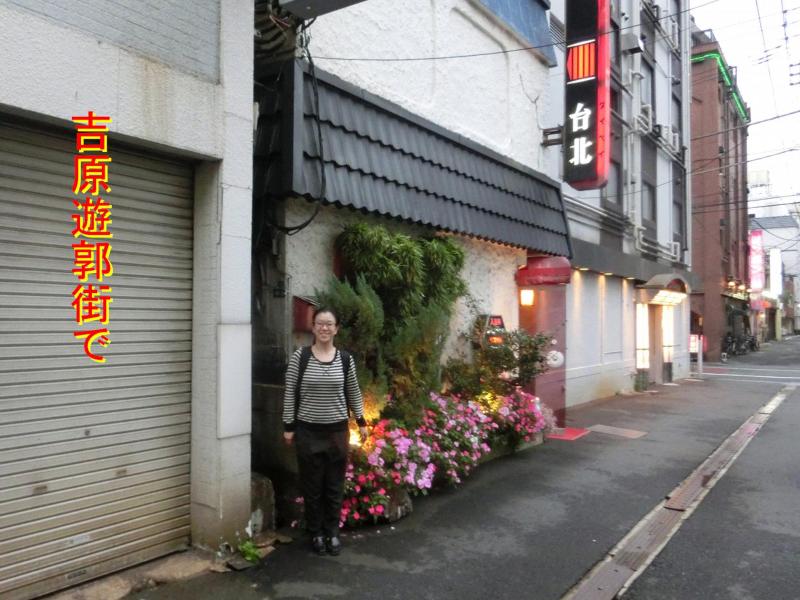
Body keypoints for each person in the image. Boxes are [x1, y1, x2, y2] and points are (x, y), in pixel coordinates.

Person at [283, 307, 368, 556]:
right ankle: (316, 534)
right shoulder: (301, 357)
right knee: (312, 486)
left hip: (337, 433)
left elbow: (353, 391)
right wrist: (288, 427)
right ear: (313, 327)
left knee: (334, 486)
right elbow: (290, 394)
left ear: (336, 329)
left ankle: (332, 533)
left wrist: (361, 421)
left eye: (329, 324)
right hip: (308, 432)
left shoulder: (345, 359)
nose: (324, 328)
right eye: (320, 323)